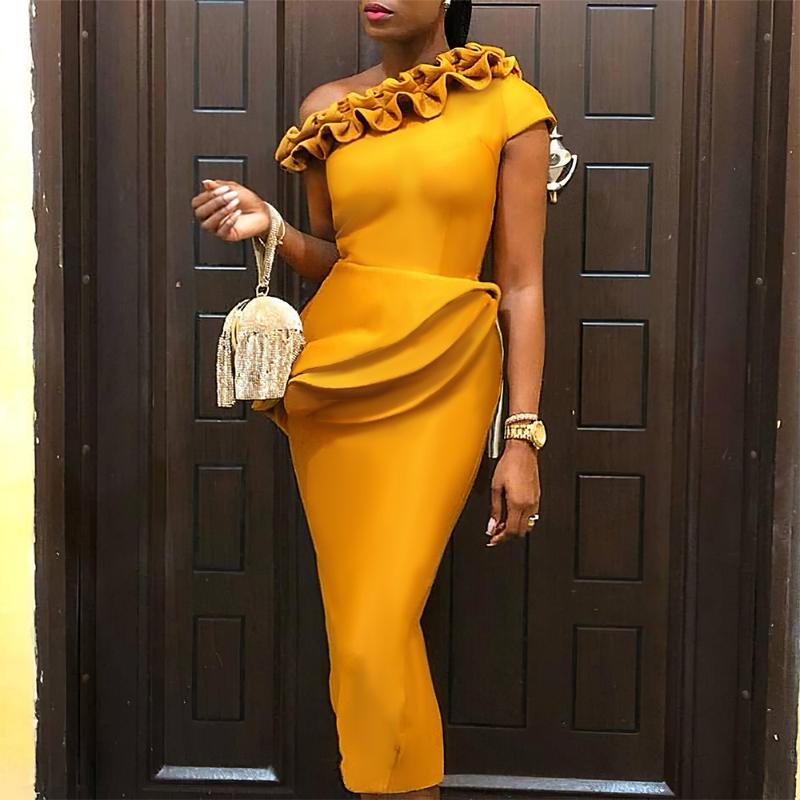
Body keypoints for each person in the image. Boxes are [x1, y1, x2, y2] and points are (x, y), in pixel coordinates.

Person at [191, 1, 555, 796]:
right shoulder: (328, 109)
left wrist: (521, 437)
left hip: (448, 370)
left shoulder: (509, 104)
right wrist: (270, 225)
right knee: (364, 631)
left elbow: (523, 284)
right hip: (337, 377)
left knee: (373, 631)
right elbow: (343, 259)